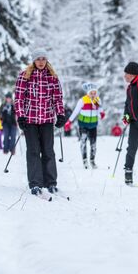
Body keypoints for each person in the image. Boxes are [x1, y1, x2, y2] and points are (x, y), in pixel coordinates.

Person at [15, 49, 65, 195]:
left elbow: (58, 99)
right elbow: (19, 98)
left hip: (47, 120)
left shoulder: (53, 77)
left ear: (46, 60)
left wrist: (60, 115)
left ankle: (50, 182)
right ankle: (35, 183)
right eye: (38, 59)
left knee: (48, 151)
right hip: (30, 120)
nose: (41, 62)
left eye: (43, 59)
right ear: (34, 61)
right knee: (33, 151)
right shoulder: (24, 76)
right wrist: (20, 116)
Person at [65, 82, 105, 169]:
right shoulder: (82, 100)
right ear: (88, 93)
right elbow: (76, 111)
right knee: (83, 142)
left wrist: (101, 113)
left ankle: (92, 161)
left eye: (95, 93)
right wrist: (69, 121)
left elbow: (100, 110)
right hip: (83, 124)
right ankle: (85, 160)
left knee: (93, 144)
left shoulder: (97, 100)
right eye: (91, 93)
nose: (93, 95)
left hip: (93, 125)